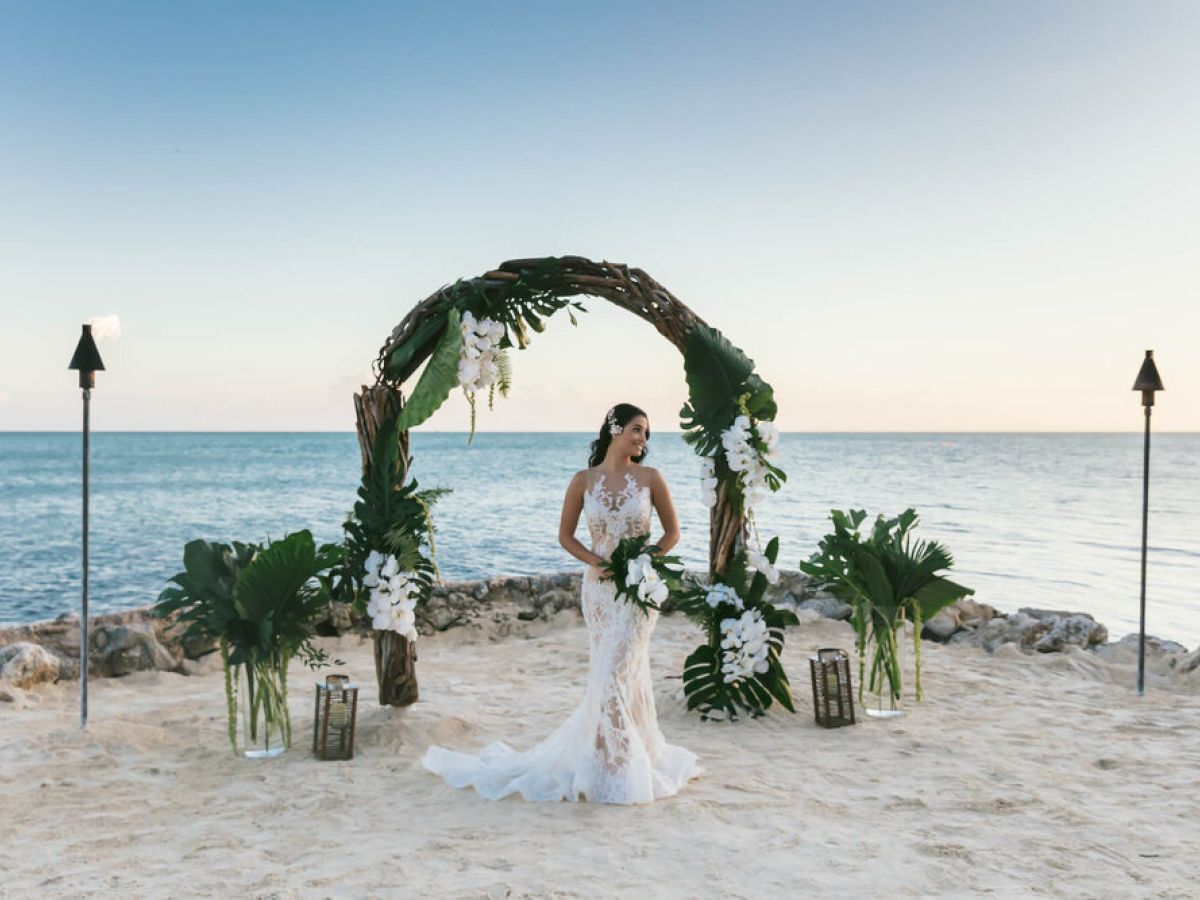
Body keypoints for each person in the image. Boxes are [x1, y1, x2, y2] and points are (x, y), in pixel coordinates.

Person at [422, 402, 702, 803]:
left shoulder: (651, 478)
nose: (642, 439)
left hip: (640, 591)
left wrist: (645, 560)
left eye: (646, 433)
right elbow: (566, 536)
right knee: (608, 675)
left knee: (617, 676)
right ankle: (608, 762)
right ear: (614, 429)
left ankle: (622, 765)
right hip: (600, 593)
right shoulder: (583, 481)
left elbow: (672, 533)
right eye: (637, 429)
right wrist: (595, 561)